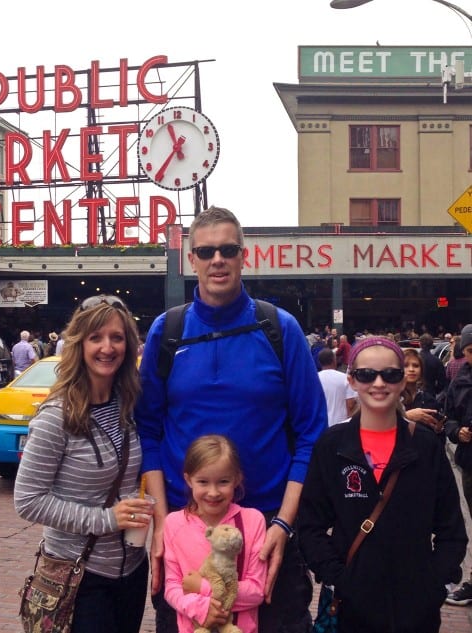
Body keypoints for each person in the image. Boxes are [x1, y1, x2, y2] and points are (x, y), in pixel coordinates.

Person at [135, 206, 328, 633]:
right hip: (186, 534)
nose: (217, 259)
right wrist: (162, 525)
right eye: (206, 251)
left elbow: (312, 432)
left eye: (227, 249)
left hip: (266, 530)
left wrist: (283, 523)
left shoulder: (280, 329)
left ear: (244, 255)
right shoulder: (167, 331)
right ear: (192, 259)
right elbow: (147, 430)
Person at [298, 337, 467, 633]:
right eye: (366, 374)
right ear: (352, 379)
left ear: (403, 380)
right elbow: (311, 525)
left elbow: (451, 528)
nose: (379, 383)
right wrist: (339, 577)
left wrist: (433, 584)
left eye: (390, 374)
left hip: (415, 606)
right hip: (352, 605)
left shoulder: (425, 446)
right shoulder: (332, 445)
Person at [14, 295, 153, 633]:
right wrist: (106, 519)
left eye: (117, 337)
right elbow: (28, 500)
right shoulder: (57, 415)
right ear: (79, 344)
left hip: (133, 571)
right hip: (80, 576)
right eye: (96, 337)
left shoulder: (131, 405)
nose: (107, 347)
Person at [163, 434, 267, 633]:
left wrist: (202, 588)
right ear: (188, 479)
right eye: (203, 482)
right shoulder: (174, 524)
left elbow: (256, 590)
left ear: (237, 479)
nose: (213, 492)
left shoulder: (253, 521)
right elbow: (172, 587)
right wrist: (200, 608)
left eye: (223, 482)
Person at [444, 323, 472, 606]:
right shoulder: (459, 380)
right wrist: (456, 431)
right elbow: (449, 415)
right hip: (469, 460)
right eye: (470, 351)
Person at [401, 347, 445, 437]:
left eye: (416, 366)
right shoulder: (390, 397)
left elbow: (437, 437)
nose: (411, 369)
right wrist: (407, 417)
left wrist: (438, 429)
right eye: (406, 365)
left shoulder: (428, 399)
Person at [317, 348, 357, 426]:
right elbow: (350, 404)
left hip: (320, 425)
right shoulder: (345, 378)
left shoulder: (313, 379)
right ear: (334, 360)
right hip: (340, 423)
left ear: (319, 362)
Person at [419, 332, 447, 397]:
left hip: (414, 395)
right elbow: (442, 382)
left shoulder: (414, 360)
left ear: (419, 344)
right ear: (432, 345)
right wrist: (435, 390)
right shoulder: (437, 361)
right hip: (430, 394)